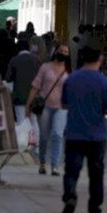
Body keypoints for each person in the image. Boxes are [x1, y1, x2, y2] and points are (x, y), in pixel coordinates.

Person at [59, 47, 107, 213]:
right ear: (100, 59)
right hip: (96, 135)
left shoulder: (71, 79)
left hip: (74, 134)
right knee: (96, 175)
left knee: (71, 172)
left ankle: (70, 197)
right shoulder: (104, 82)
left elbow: (63, 104)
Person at [27, 44, 70, 175]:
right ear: (55, 51)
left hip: (61, 108)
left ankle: (55, 165)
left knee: (57, 134)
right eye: (61, 50)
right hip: (45, 106)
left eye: (66, 52)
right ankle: (42, 162)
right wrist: (28, 106)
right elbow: (35, 87)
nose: (63, 53)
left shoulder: (69, 71)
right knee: (44, 137)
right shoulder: (45, 67)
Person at [6, 38, 41, 123]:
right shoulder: (36, 59)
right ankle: (35, 136)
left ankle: (24, 136)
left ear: (17, 48)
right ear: (28, 48)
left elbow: (8, 78)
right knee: (33, 121)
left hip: (19, 95)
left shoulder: (14, 60)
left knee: (21, 120)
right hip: (33, 95)